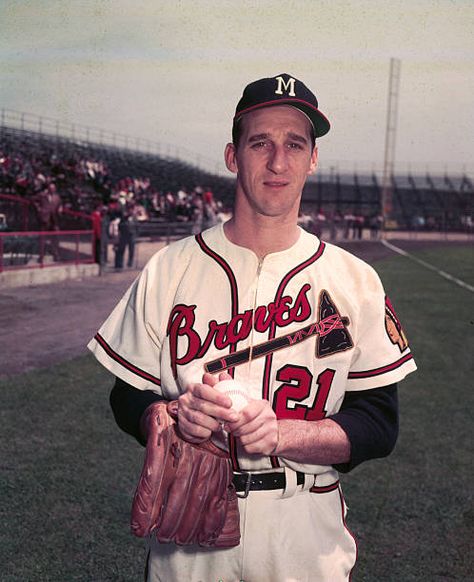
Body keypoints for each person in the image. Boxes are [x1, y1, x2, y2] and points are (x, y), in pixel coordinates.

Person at [88, 73, 417, 581]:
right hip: (191, 538)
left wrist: (283, 434)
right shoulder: (171, 268)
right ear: (232, 155)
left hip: (304, 531)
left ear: (313, 159)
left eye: (294, 144)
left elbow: (378, 423)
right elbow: (125, 396)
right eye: (260, 142)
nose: (277, 162)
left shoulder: (354, 280)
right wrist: (169, 417)